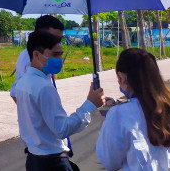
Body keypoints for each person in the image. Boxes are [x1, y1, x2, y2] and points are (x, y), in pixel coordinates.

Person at [16, 30, 105, 171]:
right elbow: (62, 129)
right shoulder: (44, 87)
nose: (59, 59)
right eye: (55, 54)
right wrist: (90, 105)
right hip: (52, 162)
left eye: (61, 54)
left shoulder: (22, 81)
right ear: (36, 55)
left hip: (33, 160)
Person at [96, 48, 170, 170]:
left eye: (119, 78)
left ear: (122, 76)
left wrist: (106, 125)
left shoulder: (119, 114)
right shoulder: (166, 105)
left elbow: (110, 162)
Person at [11, 15, 65, 104]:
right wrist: (32, 110)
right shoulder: (29, 57)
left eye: (60, 39)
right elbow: (15, 92)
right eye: (55, 38)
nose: (58, 43)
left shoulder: (44, 54)